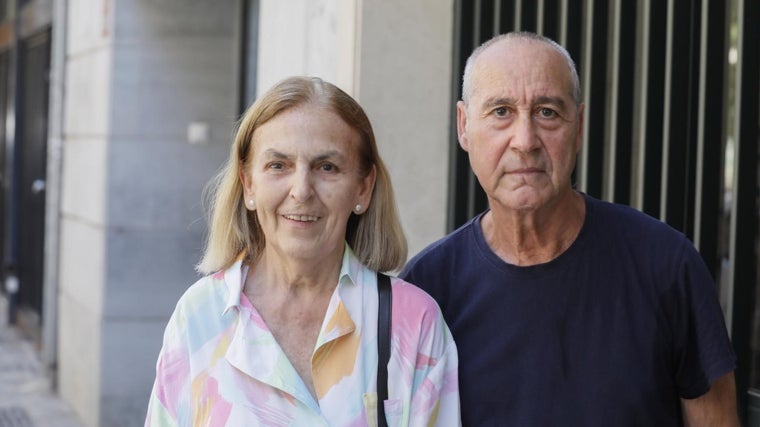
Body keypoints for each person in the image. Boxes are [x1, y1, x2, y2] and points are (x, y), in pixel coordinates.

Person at [401, 32, 739, 426]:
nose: (525, 141)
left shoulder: (665, 265)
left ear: (578, 128)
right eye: (500, 112)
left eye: (547, 112)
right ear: (463, 126)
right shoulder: (425, 294)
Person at [146, 76, 460, 426]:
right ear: (248, 184)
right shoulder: (200, 317)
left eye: (327, 167)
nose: (301, 190)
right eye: (278, 165)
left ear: (363, 188)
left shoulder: (413, 322)